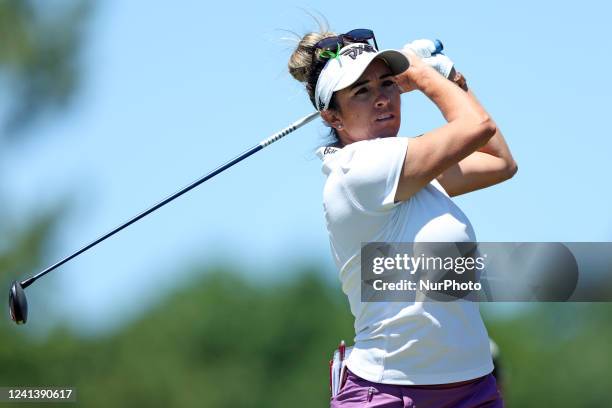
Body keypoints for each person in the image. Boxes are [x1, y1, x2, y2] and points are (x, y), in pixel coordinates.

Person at [288, 27, 516, 408]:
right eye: (362, 90)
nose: (381, 99)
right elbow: (478, 127)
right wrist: (424, 75)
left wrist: (454, 81)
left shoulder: (410, 170)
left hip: (474, 390)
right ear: (333, 118)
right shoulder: (358, 171)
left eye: (388, 84)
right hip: (390, 393)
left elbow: (499, 162)